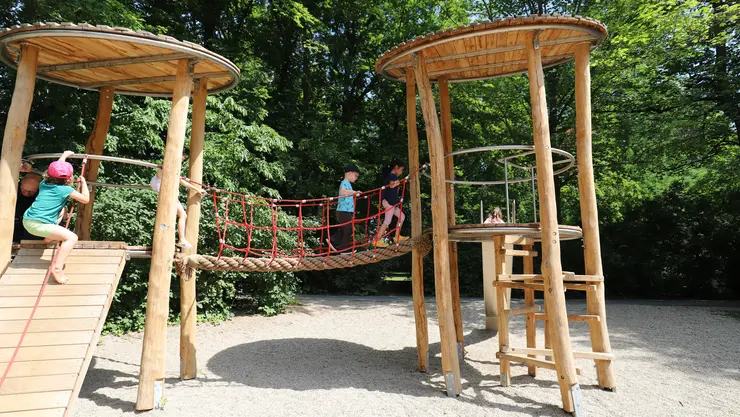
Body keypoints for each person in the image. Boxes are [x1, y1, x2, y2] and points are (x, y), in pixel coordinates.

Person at [23, 151, 90, 284]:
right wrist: (84, 183)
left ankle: (50, 236)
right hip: (38, 225)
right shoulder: (65, 190)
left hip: (28, 220)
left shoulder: (43, 184)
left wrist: (64, 155)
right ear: (68, 178)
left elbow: (57, 167)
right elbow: (85, 199)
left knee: (62, 210)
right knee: (72, 237)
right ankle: (57, 268)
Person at [150, 152, 206, 249]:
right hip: (165, 192)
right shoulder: (165, 168)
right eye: (180, 159)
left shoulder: (174, 170)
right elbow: (162, 169)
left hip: (170, 194)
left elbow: (182, 182)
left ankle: (181, 240)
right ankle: (171, 240)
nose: (181, 162)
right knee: (167, 216)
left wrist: (197, 189)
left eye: (182, 160)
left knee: (183, 215)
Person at [327, 163, 361, 251]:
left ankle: (334, 241)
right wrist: (354, 192)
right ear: (349, 173)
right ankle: (343, 248)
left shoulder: (348, 184)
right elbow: (342, 191)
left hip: (344, 211)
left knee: (344, 229)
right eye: (355, 175)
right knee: (348, 229)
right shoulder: (344, 183)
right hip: (343, 211)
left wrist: (353, 193)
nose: (356, 178)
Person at [375, 159, 408, 247]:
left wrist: (399, 183)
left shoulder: (393, 177)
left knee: (402, 216)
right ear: (396, 167)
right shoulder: (392, 176)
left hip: (391, 203)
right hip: (389, 202)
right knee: (387, 221)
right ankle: (377, 240)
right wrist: (398, 183)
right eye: (401, 170)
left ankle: (397, 236)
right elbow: (391, 184)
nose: (401, 172)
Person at [13, 161, 42, 243]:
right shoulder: (13, 187)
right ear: (21, 184)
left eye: (30, 191)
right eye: (24, 189)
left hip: (30, 225)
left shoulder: (42, 194)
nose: (26, 193)